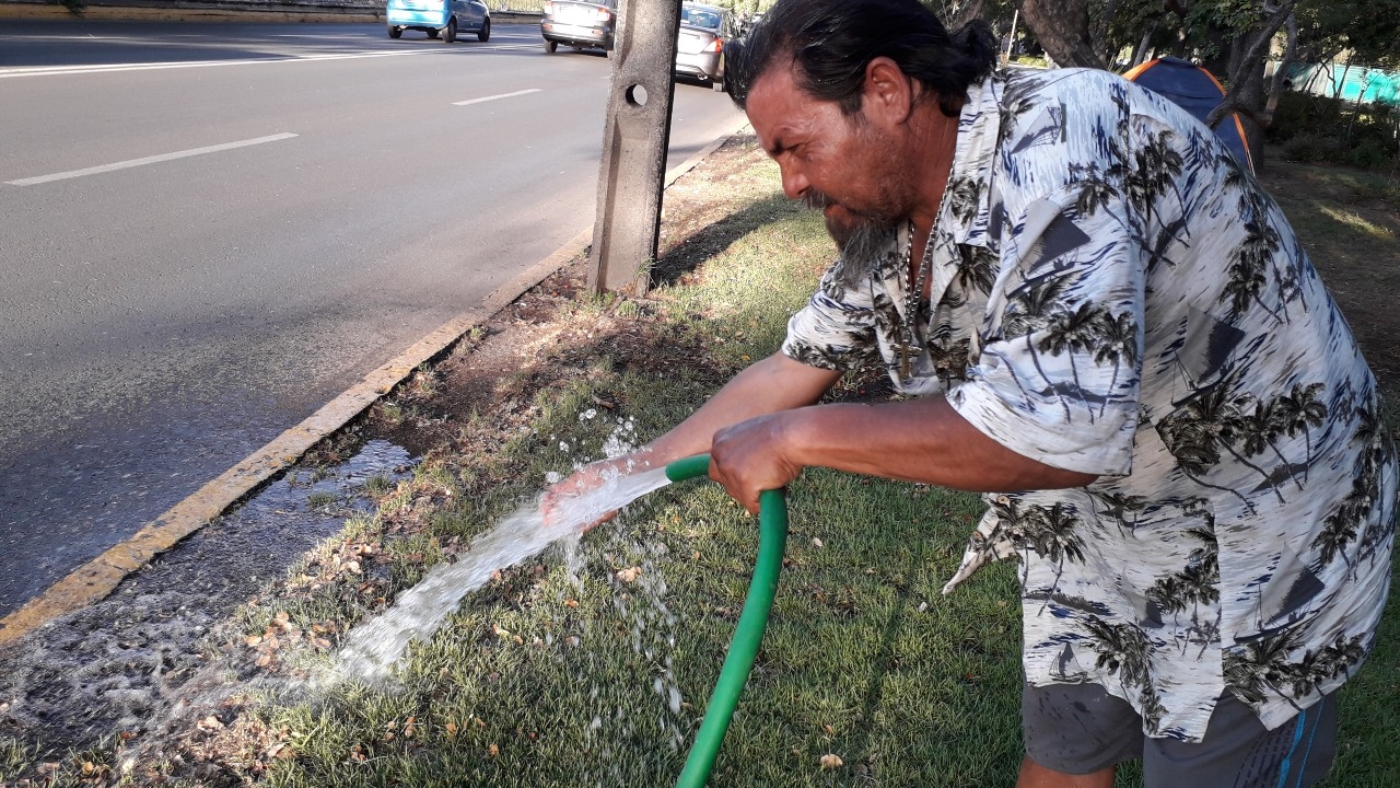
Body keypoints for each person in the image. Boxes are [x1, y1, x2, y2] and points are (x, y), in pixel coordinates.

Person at [546, 0, 1397, 785]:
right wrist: (626, 476)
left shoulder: (1063, 151)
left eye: (795, 147)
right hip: (1098, 531)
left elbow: (1050, 431)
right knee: (1065, 748)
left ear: (886, 91)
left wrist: (795, 438)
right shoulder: (891, 217)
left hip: (1258, 540)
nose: (791, 184)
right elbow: (791, 367)